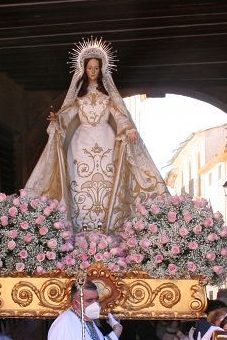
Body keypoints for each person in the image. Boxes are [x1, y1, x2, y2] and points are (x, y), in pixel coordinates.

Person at [24, 38, 167, 233]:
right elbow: (66, 114)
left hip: (106, 141)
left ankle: (105, 226)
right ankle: (81, 227)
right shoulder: (78, 99)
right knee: (79, 183)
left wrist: (129, 129)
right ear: (83, 69)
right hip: (80, 146)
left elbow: (120, 116)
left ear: (101, 70)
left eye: (96, 68)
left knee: (106, 182)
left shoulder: (108, 99)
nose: (92, 71)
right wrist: (57, 119)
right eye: (89, 68)